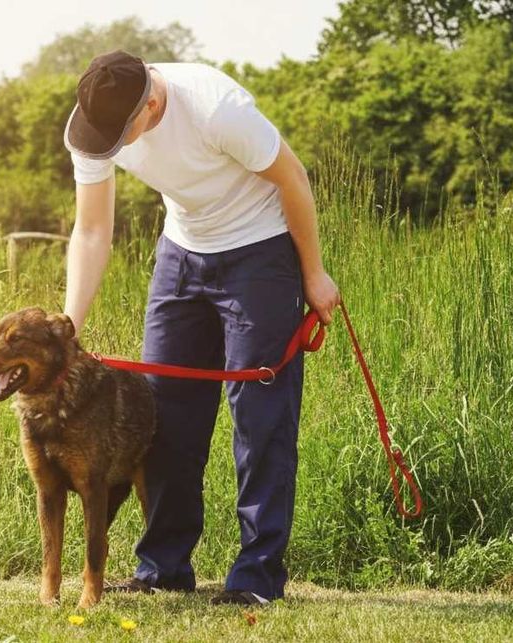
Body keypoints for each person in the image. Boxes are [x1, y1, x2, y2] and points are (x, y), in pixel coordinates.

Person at [61, 50, 340, 606]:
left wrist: (312, 272)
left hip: (259, 253)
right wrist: (69, 327)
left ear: (153, 105)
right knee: (163, 415)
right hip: (183, 253)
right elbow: (92, 231)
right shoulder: (90, 127)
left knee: (260, 419)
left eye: (124, 136)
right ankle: (163, 566)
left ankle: (257, 577)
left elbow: (293, 178)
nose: (115, 148)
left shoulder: (217, 108)